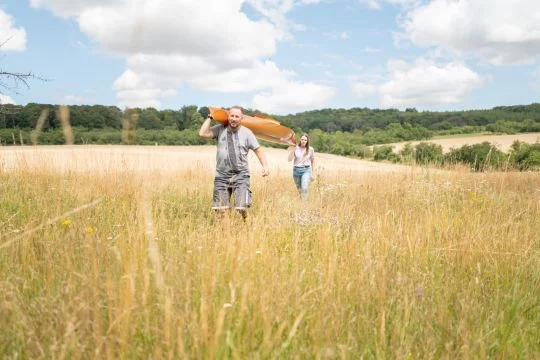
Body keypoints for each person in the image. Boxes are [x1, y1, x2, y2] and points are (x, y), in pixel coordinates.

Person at [199, 106, 269, 219]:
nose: (234, 119)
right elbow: (203, 133)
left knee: (242, 208)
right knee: (221, 211)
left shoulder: (247, 133)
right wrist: (210, 117)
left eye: (237, 116)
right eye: (232, 116)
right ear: (228, 117)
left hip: (241, 175)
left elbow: (258, 150)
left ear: (241, 119)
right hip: (221, 176)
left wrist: (265, 166)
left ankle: (246, 223)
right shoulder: (219, 129)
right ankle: (226, 231)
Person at [288, 133, 315, 198]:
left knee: (304, 187)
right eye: (302, 139)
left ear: (307, 141)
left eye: (305, 140)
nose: (303, 141)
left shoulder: (310, 149)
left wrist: (313, 174)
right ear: (300, 140)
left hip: (306, 170)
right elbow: (289, 159)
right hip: (296, 171)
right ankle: (301, 201)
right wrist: (293, 149)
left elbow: (313, 161)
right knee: (300, 190)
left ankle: (305, 204)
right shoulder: (296, 148)